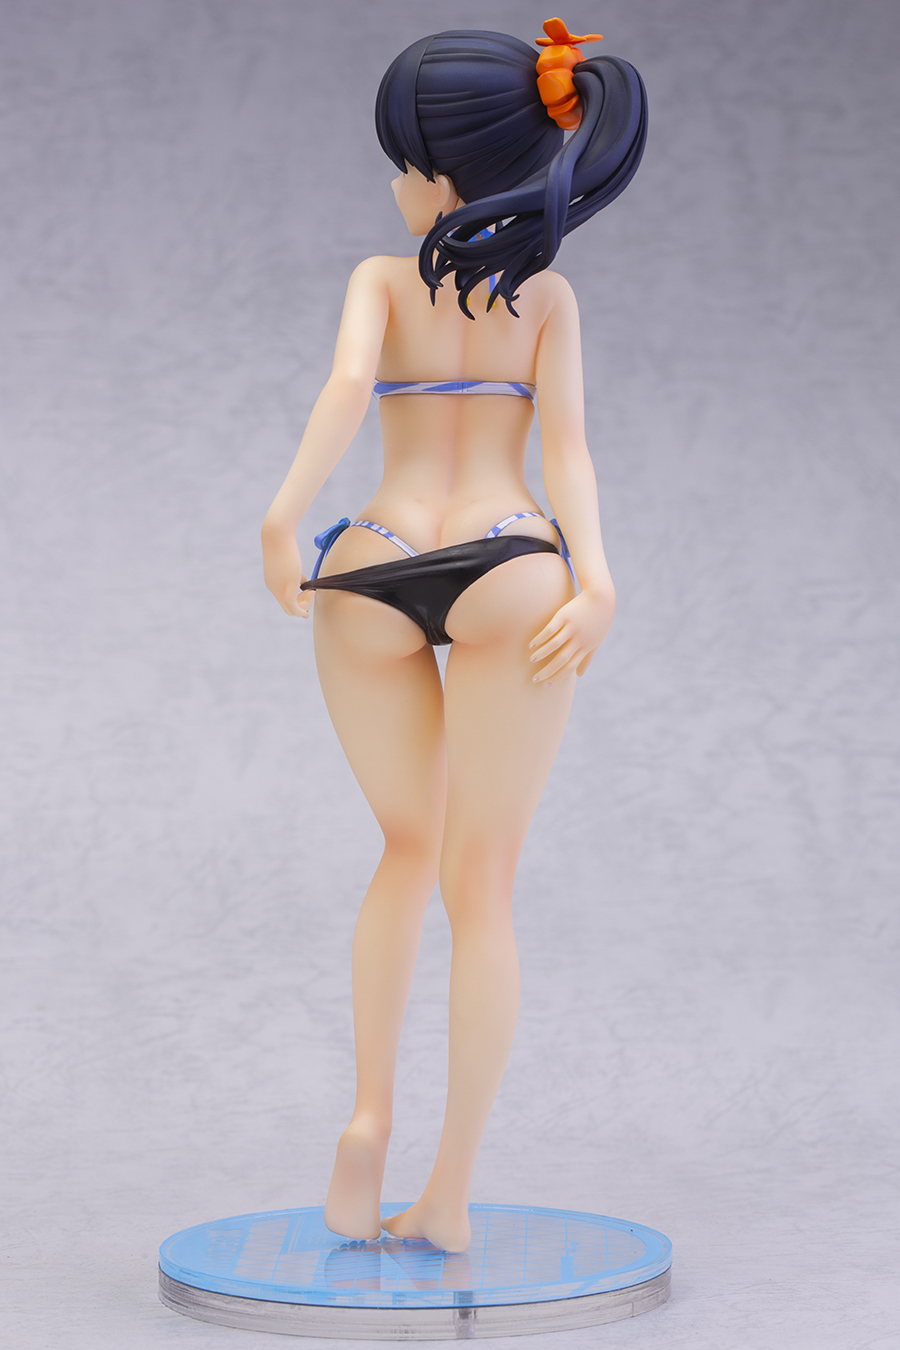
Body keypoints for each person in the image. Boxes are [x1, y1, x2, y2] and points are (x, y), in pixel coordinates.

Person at [261, 20, 647, 1254]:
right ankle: (448, 1191)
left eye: (403, 163)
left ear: (441, 176)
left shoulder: (381, 280)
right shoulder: (548, 299)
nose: (394, 187)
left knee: (405, 851)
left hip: (370, 561)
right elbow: (568, 452)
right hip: (509, 564)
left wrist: (281, 519)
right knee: (483, 886)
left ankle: (367, 1114)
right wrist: (595, 579)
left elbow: (342, 394)